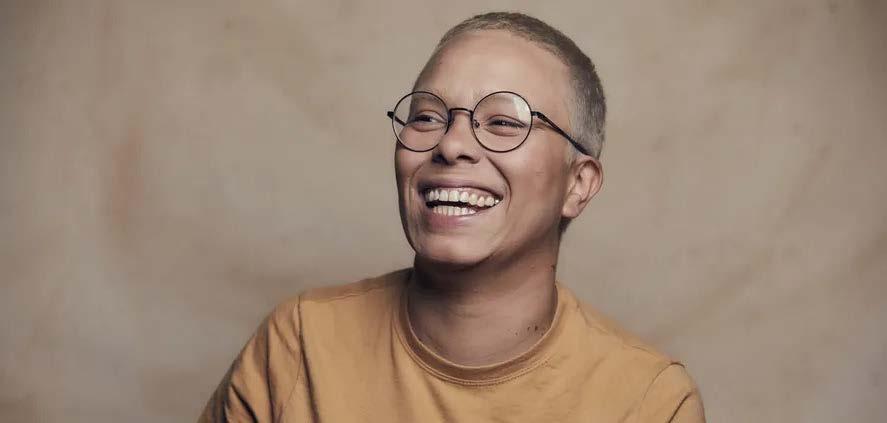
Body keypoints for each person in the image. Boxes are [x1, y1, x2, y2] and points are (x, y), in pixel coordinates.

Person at [199, 11, 705, 422]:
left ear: (578, 184)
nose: (452, 144)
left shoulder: (648, 401)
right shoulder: (298, 345)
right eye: (427, 116)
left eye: (503, 122)